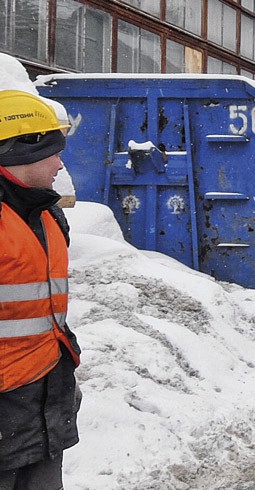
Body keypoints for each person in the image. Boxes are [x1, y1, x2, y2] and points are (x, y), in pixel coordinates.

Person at [0, 90, 81, 489]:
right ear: (19, 149)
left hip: (43, 410)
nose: (59, 163)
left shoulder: (47, 216)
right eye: (52, 151)